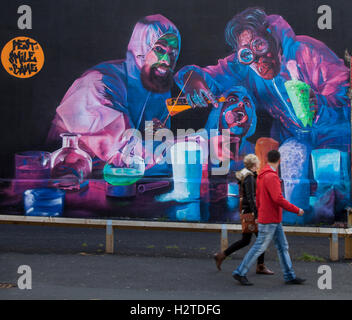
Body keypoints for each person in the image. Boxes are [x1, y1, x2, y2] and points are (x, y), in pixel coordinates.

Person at [174, 7, 350, 151]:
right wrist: (192, 78)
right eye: (246, 53)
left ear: (271, 35)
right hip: (293, 142)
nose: (257, 59)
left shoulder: (306, 51)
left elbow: (345, 93)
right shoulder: (245, 67)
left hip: (333, 137)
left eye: (259, 45)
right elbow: (208, 76)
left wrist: (321, 104)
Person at [47, 14, 181, 176]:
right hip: (72, 176)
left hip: (124, 178)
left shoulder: (157, 89)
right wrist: (186, 148)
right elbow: (126, 148)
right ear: (141, 48)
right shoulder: (100, 83)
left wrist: (160, 138)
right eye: (159, 49)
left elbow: (152, 144)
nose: (167, 60)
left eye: (173, 53)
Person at [232, 150, 305, 285]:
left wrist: (259, 213)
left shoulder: (262, 175)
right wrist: (297, 210)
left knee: (282, 246)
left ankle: (289, 275)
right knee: (260, 246)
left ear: (267, 159)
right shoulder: (271, 177)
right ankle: (240, 272)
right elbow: (278, 199)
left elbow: (258, 197)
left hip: (271, 218)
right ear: (279, 160)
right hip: (271, 219)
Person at [214, 154, 274, 275]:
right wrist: (256, 215)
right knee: (260, 239)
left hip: (247, 211)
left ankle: (222, 255)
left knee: (247, 240)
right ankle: (260, 266)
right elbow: (251, 197)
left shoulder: (248, 175)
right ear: (254, 164)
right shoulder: (249, 177)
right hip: (250, 213)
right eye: (257, 163)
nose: (259, 164)